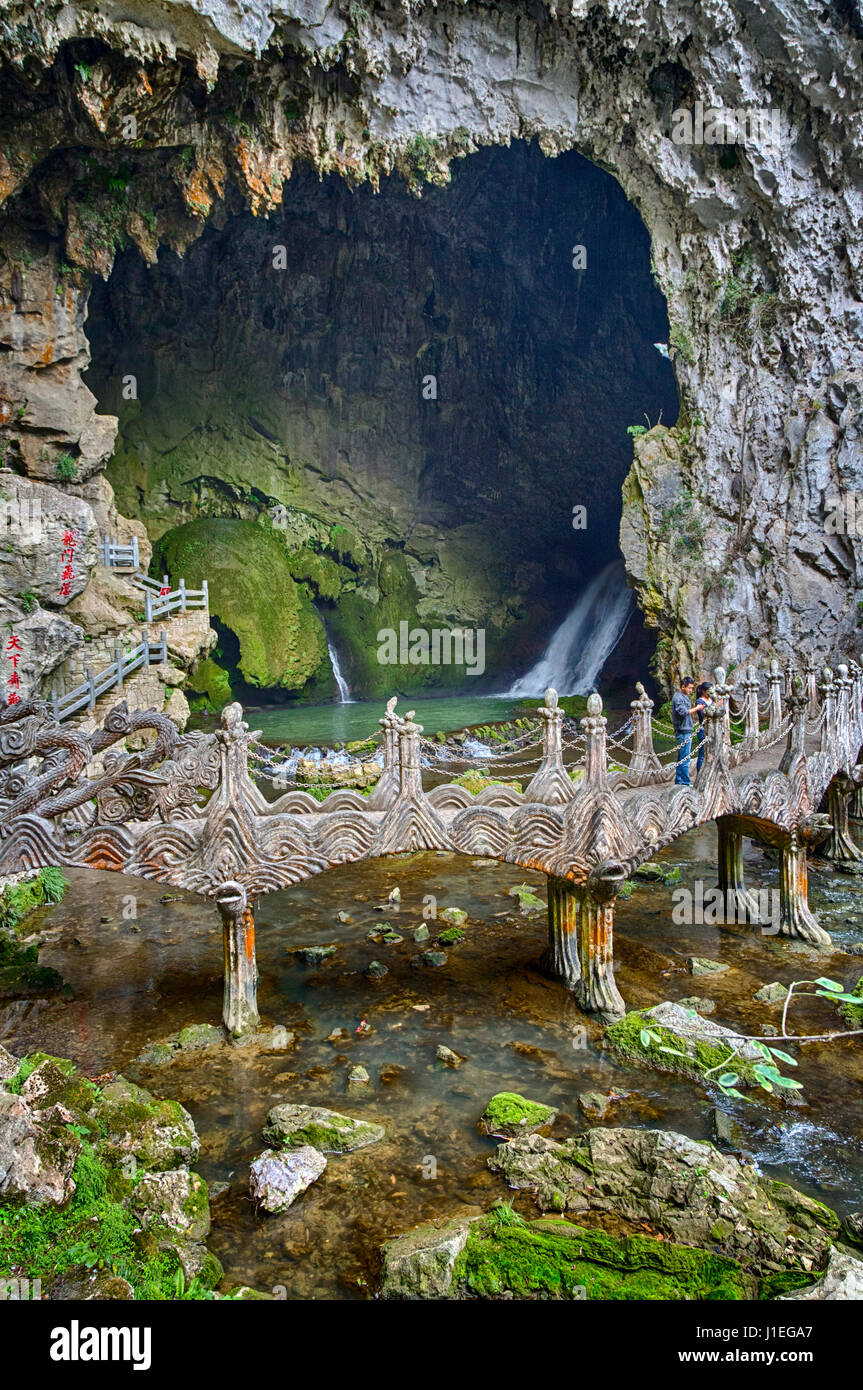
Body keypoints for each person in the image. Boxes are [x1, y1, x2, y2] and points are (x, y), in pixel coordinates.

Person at [671, 676, 696, 786]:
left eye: (692, 688)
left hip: (687, 729)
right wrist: (697, 708)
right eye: (689, 688)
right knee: (685, 759)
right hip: (683, 730)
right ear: (683, 686)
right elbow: (683, 712)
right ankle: (685, 783)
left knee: (682, 757)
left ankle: (679, 781)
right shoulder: (678, 698)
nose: (691, 690)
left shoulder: (684, 697)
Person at [694, 680, 713, 774]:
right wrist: (716, 705)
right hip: (703, 729)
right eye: (709, 690)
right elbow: (703, 714)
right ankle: (700, 774)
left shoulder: (711, 700)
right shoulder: (699, 701)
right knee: (702, 753)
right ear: (703, 691)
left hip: (713, 728)